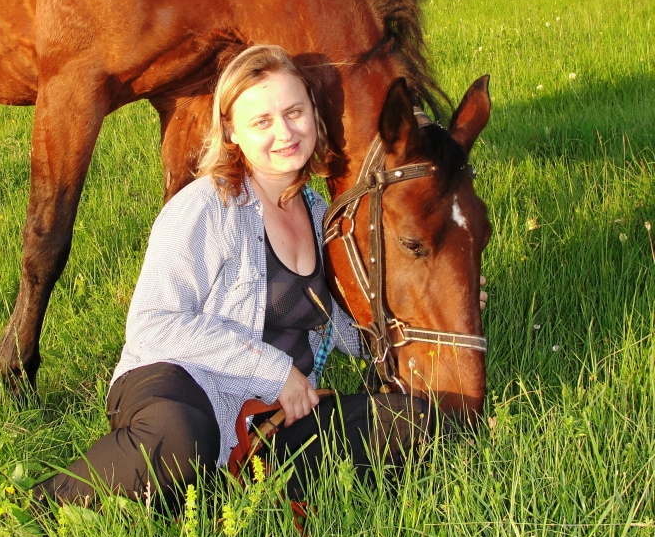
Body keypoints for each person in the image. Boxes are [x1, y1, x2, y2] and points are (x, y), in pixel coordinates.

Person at [35, 46, 448, 509]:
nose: (285, 132)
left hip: (274, 413)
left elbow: (346, 332)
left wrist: (431, 299)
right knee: (183, 439)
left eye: (295, 112)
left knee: (416, 423)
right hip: (179, 384)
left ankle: (239, 483)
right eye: (262, 121)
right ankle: (48, 504)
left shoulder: (321, 218)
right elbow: (154, 323)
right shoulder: (204, 206)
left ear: (314, 112)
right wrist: (274, 373)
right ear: (231, 131)